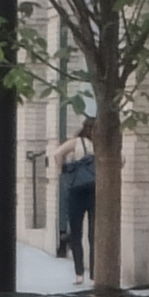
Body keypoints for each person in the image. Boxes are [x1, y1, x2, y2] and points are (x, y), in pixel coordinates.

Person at [49, 119, 97, 286]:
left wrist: (62, 171)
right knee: (94, 235)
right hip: (96, 191)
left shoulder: (78, 142)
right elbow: (122, 159)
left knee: (76, 233)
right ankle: (94, 275)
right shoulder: (103, 145)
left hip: (76, 191)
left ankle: (79, 274)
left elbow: (57, 154)